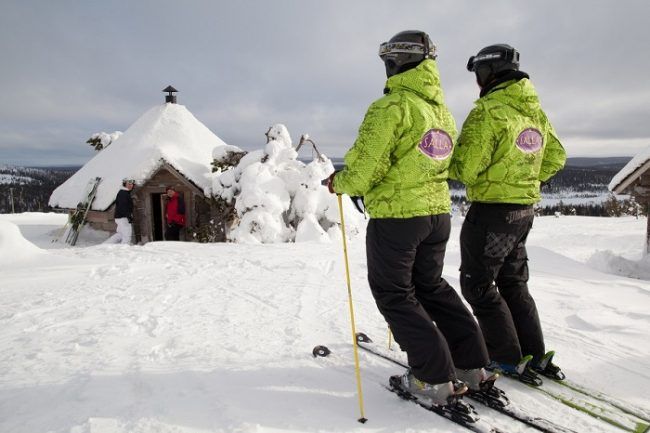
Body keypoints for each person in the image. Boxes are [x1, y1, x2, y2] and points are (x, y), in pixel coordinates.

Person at [327, 30, 492, 406]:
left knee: (395, 293)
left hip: (400, 218)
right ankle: (470, 366)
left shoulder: (392, 107)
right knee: (431, 287)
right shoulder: (440, 111)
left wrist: (342, 182)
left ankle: (432, 377)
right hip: (437, 214)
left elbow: (366, 167)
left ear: (395, 62)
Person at [449, 44, 567, 385]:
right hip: (523, 211)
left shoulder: (489, 111)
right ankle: (533, 353)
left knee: (478, 284)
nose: (477, 82)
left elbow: (466, 169)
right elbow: (556, 156)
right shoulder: (534, 111)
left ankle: (505, 356)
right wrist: (525, 179)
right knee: (513, 281)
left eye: (478, 74)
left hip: (491, 213)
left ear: (488, 73)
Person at [105, 178, 135, 244]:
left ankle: (105, 245)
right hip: (123, 218)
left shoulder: (124, 193)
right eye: (129, 184)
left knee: (120, 235)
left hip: (120, 217)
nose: (131, 185)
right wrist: (128, 216)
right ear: (124, 184)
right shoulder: (123, 194)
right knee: (127, 236)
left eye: (132, 184)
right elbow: (123, 206)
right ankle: (124, 250)